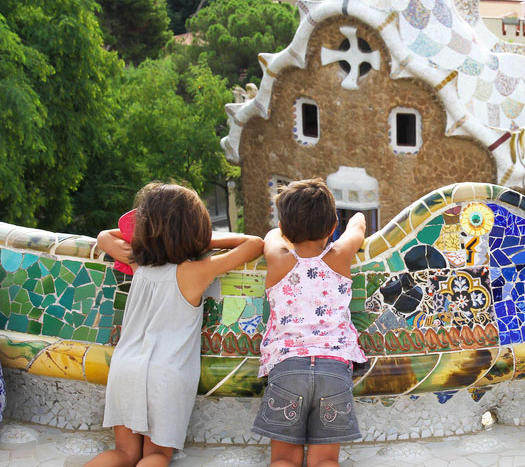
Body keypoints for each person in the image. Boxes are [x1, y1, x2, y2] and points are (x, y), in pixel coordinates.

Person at [88, 183, 264, 467]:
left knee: (123, 454)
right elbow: (255, 243)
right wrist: (203, 243)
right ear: (196, 230)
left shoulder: (136, 262)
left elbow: (104, 236)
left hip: (125, 368)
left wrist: (145, 238)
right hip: (166, 376)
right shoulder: (196, 271)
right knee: (156, 455)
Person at [251, 179, 368, 467]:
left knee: (283, 459)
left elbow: (271, 236)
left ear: (285, 229)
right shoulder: (339, 256)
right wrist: (347, 221)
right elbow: (359, 225)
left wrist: (285, 232)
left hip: (287, 369)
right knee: (325, 460)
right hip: (335, 370)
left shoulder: (278, 259)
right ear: (331, 227)